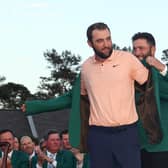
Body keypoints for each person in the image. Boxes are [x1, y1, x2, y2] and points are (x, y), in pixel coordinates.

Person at [132, 32, 168, 168]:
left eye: (141, 48)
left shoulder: (161, 76)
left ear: (153, 49)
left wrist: (163, 69)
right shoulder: (131, 77)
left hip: (163, 148)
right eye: (134, 49)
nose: (137, 53)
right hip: (140, 147)